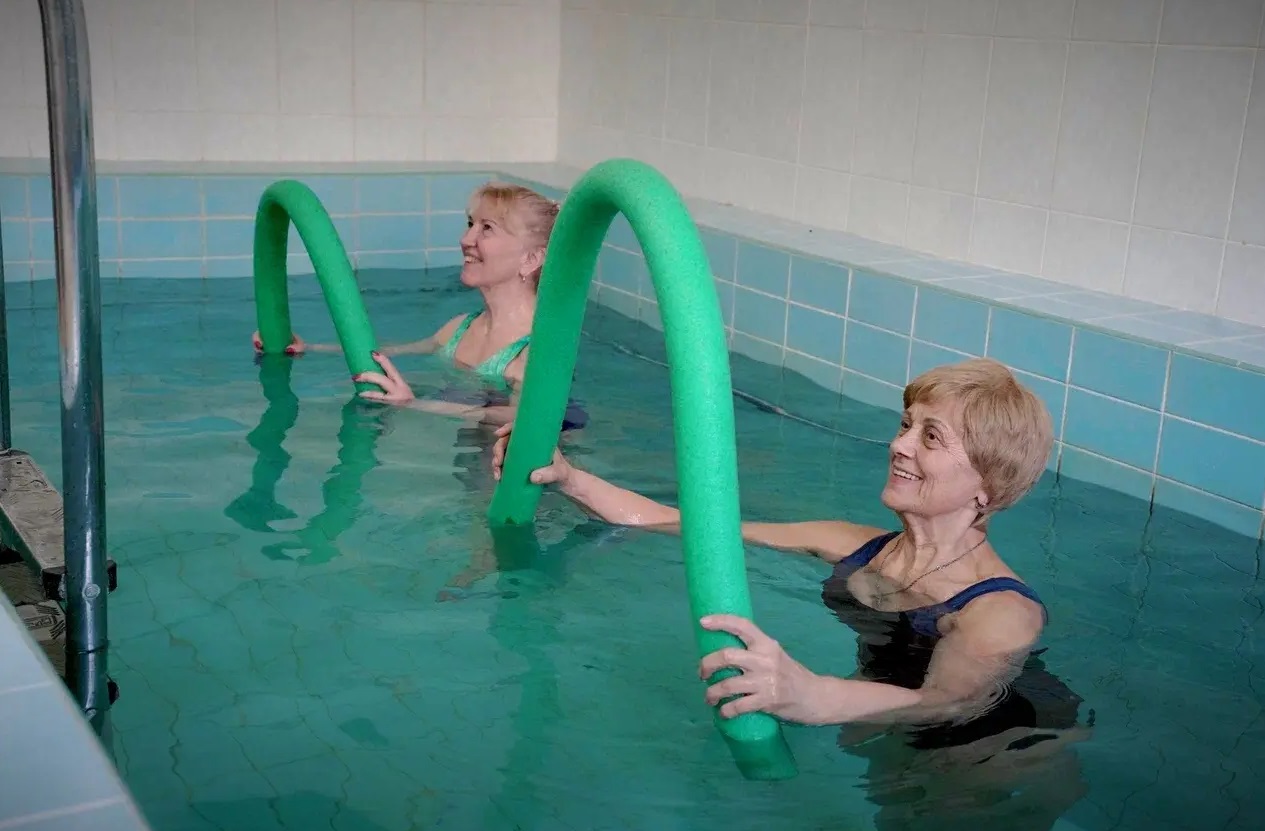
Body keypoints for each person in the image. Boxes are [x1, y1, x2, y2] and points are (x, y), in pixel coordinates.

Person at [491, 357, 1091, 822]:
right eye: (906, 425)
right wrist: (569, 478)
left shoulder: (1001, 610)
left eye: (930, 438)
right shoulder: (852, 544)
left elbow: (952, 700)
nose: (899, 445)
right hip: (895, 725)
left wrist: (818, 696)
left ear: (988, 485)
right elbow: (692, 528)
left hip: (998, 754)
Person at [251, 181, 585, 430]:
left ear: (531, 259)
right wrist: (308, 349)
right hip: (475, 456)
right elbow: (389, 353)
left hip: (524, 475)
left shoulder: (537, 350)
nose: (466, 239)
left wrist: (416, 403)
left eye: (487, 229)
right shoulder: (459, 328)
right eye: (470, 224)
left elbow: (525, 419)